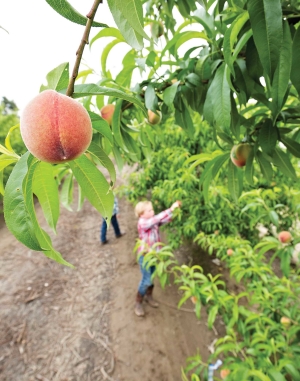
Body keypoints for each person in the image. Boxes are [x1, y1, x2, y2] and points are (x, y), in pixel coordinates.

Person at [134, 200, 181, 317]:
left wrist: (174, 214)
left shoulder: (151, 221)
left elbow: (162, 220)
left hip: (155, 256)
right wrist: (171, 209)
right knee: (147, 279)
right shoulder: (143, 223)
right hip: (145, 257)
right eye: (149, 210)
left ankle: (148, 296)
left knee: (152, 276)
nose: (152, 211)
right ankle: (138, 302)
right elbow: (157, 219)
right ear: (141, 214)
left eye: (152, 209)